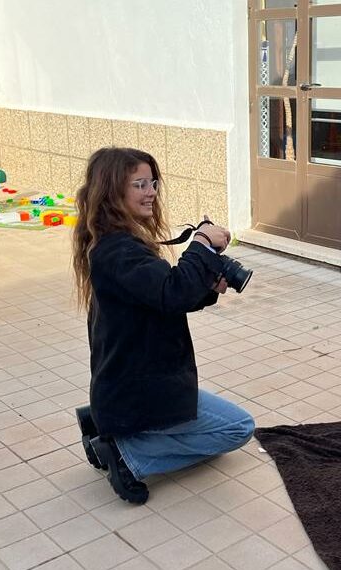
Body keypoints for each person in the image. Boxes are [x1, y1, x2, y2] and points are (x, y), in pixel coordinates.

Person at [71, 147, 255, 504]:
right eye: (139, 184)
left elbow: (165, 298)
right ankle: (128, 454)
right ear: (112, 193)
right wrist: (201, 241)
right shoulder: (115, 250)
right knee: (238, 429)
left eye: (152, 182)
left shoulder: (123, 243)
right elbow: (171, 293)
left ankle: (106, 427)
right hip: (141, 388)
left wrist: (206, 288)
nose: (151, 191)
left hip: (143, 380)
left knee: (220, 433)